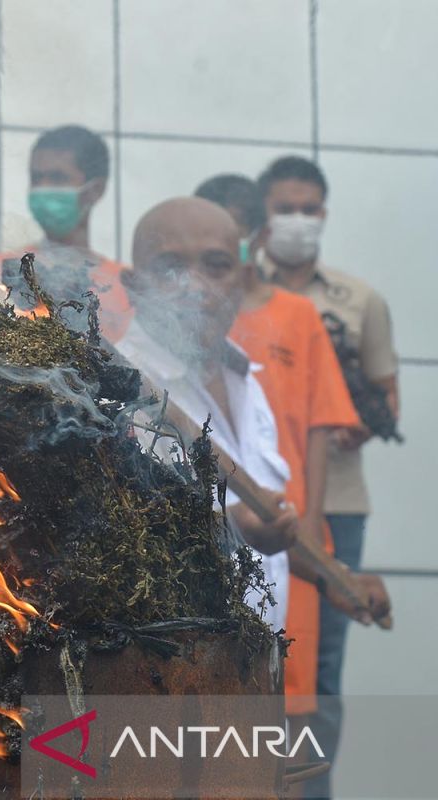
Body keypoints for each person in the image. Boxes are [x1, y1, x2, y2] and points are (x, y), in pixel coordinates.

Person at [116, 198, 390, 637]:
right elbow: (134, 536)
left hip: (255, 674)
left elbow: (269, 527)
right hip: (170, 679)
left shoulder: (246, 381)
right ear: (133, 285)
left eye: (217, 265)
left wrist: (332, 575)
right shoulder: (119, 390)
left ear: (242, 282)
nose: (195, 286)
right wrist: (234, 527)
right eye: (170, 267)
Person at [255, 155, 399, 797]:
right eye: (284, 207)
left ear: (324, 214)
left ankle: (313, 787)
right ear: (262, 214)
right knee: (256, 655)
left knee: (322, 664)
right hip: (261, 506)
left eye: (308, 208)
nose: (296, 220)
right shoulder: (241, 293)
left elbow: (389, 400)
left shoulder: (359, 301)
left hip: (336, 501)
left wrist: (353, 420)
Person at [195, 174, 361, 728]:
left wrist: (308, 534)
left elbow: (319, 430)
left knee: (292, 699)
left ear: (253, 238)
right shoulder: (188, 317)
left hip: (286, 530)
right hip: (212, 529)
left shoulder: (297, 315)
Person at [1, 125, 131, 340]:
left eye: (57, 178)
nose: (42, 188)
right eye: (36, 178)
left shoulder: (124, 287)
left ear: (95, 190)